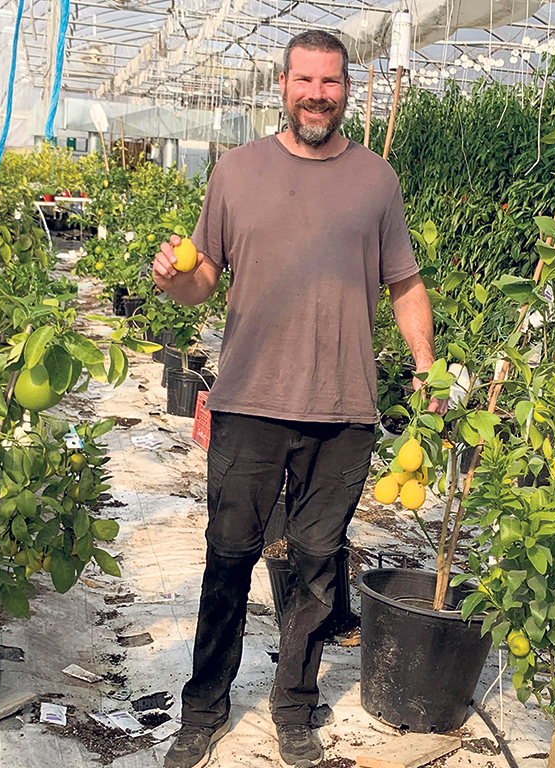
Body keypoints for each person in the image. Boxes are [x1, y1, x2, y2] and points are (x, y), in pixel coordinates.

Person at [150, 29, 445, 768]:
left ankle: (294, 708)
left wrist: (425, 367)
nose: (317, 94)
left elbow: (405, 282)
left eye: (331, 82)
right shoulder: (236, 170)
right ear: (281, 85)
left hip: (344, 412)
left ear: (349, 90)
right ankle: (204, 708)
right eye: (304, 80)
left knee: (317, 567)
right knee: (228, 559)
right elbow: (202, 278)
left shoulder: (377, 181)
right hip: (249, 400)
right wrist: (169, 281)